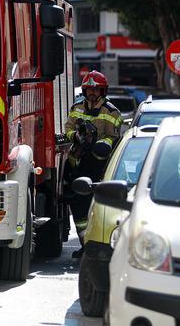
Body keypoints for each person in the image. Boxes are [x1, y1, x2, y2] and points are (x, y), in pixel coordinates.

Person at [63, 71, 122, 258]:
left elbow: (114, 137)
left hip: (99, 165)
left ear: (103, 91)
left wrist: (101, 145)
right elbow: (68, 128)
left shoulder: (111, 112)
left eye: (96, 90)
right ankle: (84, 243)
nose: (92, 93)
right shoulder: (77, 107)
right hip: (77, 162)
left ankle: (96, 244)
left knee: (94, 205)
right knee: (77, 203)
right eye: (89, 89)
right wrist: (76, 137)